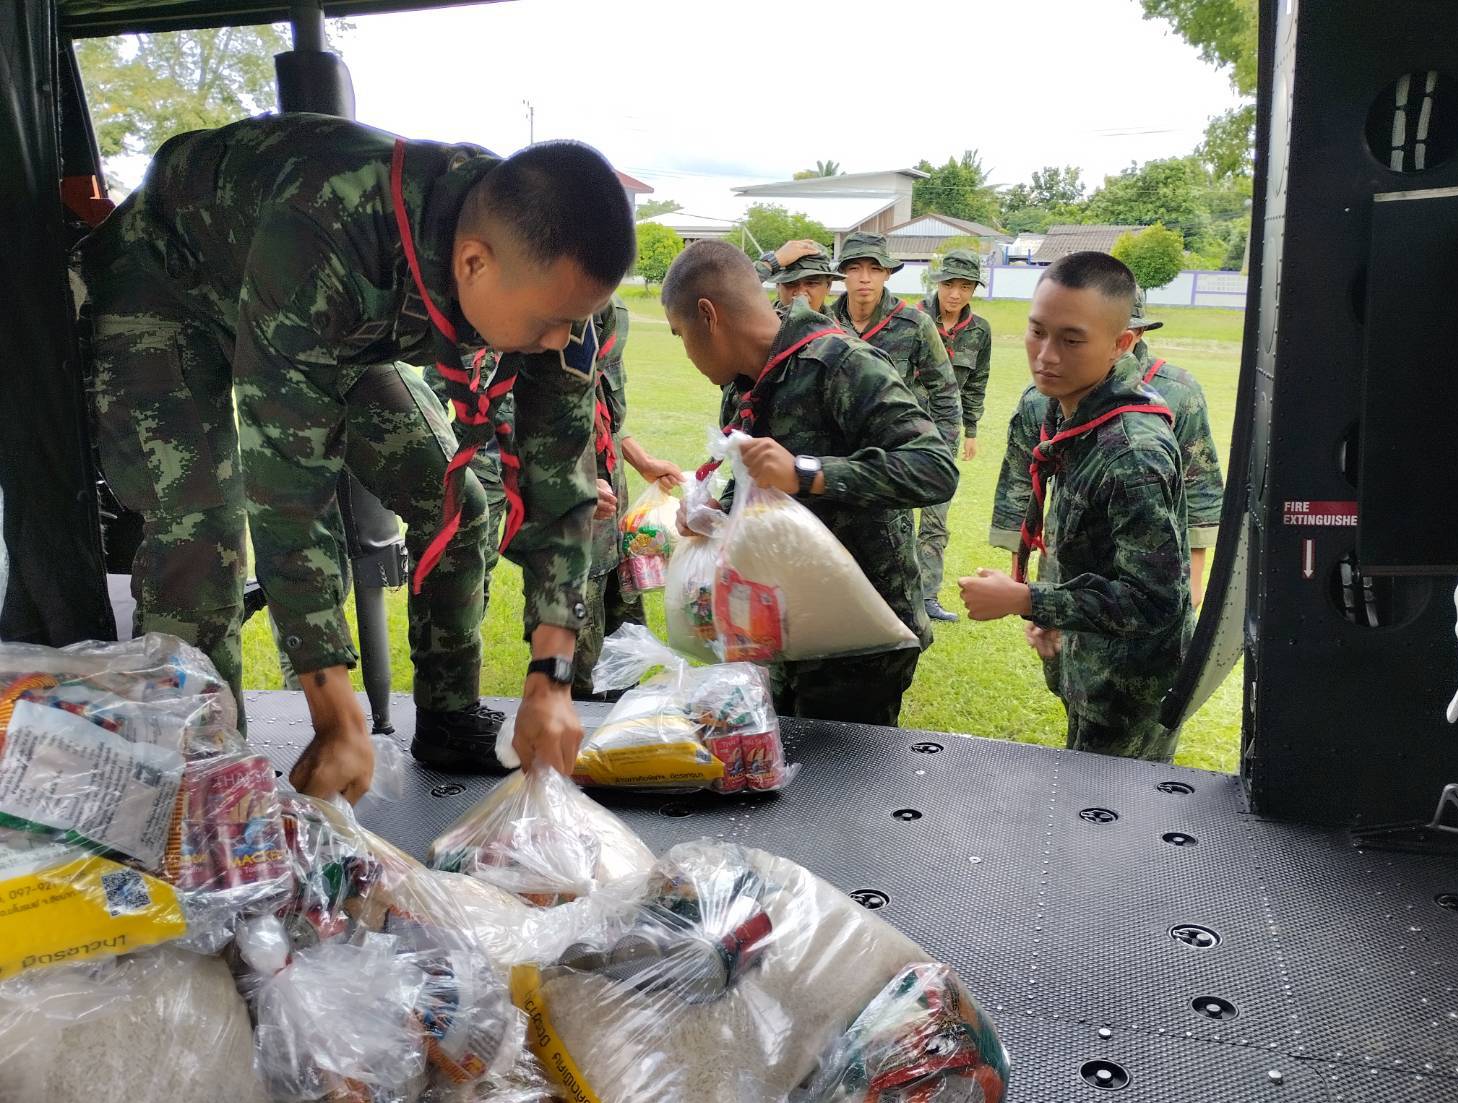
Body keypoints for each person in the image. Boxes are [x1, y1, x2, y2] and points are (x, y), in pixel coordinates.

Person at [80, 113, 636, 800]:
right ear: (473, 263)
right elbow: (289, 484)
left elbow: (559, 479)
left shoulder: (560, 286)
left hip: (333, 326)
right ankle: (198, 776)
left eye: (575, 322)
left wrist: (550, 680)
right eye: (550, 324)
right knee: (201, 530)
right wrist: (335, 711)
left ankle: (448, 713)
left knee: (454, 503)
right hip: (169, 291)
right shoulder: (328, 232)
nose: (560, 341)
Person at [661, 240, 957, 726]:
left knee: (842, 772)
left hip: (859, 637)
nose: (685, 350)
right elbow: (756, 479)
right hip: (784, 623)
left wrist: (808, 473)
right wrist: (716, 514)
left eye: (680, 333)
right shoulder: (745, 383)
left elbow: (933, 468)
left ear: (708, 316)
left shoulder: (842, 363)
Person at [960, 252, 1192, 762]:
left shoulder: (1131, 451)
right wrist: (1053, 608)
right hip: (1089, 655)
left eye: (1071, 340)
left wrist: (1028, 600)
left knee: (1113, 804)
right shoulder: (1067, 409)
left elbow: (1154, 602)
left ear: (1121, 343)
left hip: (1128, 685)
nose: (1046, 355)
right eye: (1037, 331)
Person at [990, 286, 1223, 605]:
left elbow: (1198, 483)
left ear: (1135, 335)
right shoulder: (1045, 395)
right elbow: (1020, 478)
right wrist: (1023, 581)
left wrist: (1194, 578)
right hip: (1064, 564)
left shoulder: (1177, 393)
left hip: (1149, 564)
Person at [831, 232, 962, 624]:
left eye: (874, 269)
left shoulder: (914, 324)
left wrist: (939, 456)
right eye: (855, 268)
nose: (864, 278)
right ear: (842, 274)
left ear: (887, 274)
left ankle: (908, 619)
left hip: (892, 458)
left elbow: (945, 391)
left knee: (892, 555)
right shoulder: (823, 321)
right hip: (836, 458)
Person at [574, 293, 683, 697]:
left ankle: (623, 709)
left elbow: (602, 405)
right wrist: (572, 484)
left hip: (610, 490)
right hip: (567, 503)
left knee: (622, 608)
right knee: (577, 625)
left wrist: (641, 461)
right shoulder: (534, 310)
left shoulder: (611, 311)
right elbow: (509, 420)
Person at [916, 249, 993, 621]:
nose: (955, 294)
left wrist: (971, 428)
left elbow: (977, 381)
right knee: (891, 518)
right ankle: (888, 595)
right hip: (902, 432)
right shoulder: (911, 319)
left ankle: (926, 596)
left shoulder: (980, 331)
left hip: (945, 437)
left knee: (935, 519)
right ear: (938, 283)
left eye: (965, 287)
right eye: (949, 285)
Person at [768, 249, 843, 317]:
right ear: (778, 286)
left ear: (828, 286)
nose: (800, 294)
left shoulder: (841, 325)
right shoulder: (762, 324)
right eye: (791, 283)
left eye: (811, 283)